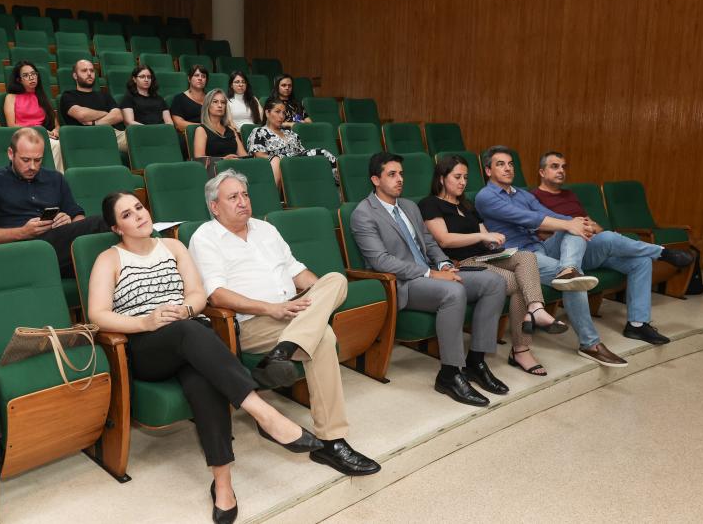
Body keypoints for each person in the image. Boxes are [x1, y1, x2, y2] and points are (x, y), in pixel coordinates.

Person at [89, 191, 323, 523]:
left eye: (139, 207)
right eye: (127, 214)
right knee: (189, 332)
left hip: (190, 338)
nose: (138, 216)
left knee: (202, 377)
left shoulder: (173, 247)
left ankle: (223, 484)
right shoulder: (109, 259)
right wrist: (144, 321)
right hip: (146, 346)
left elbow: (198, 295)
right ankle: (263, 412)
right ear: (116, 227)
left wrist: (185, 308)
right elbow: (97, 315)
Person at [189, 170, 381, 477]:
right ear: (214, 206)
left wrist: (318, 299)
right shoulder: (205, 238)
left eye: (245, 195)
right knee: (324, 338)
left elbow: (298, 273)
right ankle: (333, 441)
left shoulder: (266, 229)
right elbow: (217, 294)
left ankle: (287, 348)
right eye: (233, 197)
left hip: (295, 315)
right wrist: (273, 308)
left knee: (335, 280)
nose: (243, 202)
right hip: (255, 322)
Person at [475, 146, 693, 367]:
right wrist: (570, 223)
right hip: (521, 256)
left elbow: (548, 214)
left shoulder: (521, 193)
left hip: (543, 246)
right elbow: (528, 218)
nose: (508, 168)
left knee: (585, 233)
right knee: (574, 275)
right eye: (500, 164)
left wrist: (581, 223)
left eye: (511, 164)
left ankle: (656, 255)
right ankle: (590, 344)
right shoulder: (486, 197)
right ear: (488, 170)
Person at [351, 153, 509, 405]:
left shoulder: (409, 206)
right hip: (403, 283)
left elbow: (429, 243)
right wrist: (430, 273)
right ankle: (449, 373)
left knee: (494, 283)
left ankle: (476, 362)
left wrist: (444, 264)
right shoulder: (363, 214)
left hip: (431, 274)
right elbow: (380, 261)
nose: (399, 179)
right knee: (453, 293)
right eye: (392, 174)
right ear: (375, 179)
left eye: (401, 173)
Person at [419, 154, 567, 376]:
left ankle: (536, 309)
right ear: (441, 178)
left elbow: (484, 234)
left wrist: (493, 241)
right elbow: (444, 239)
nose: (462, 182)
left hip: (486, 257)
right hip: (463, 263)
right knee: (517, 283)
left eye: (465, 177)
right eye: (457, 177)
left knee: (527, 256)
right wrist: (481, 238)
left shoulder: (466, 204)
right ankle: (521, 349)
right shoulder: (430, 204)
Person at [530, 150, 694, 342]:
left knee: (640, 262)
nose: (561, 171)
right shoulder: (533, 197)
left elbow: (595, 225)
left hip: (590, 247)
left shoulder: (569, 195)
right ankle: (661, 252)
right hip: (563, 253)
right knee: (605, 237)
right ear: (542, 172)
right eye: (554, 166)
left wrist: (589, 226)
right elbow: (539, 232)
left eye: (564, 167)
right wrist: (573, 226)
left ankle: (637, 325)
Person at [0, 128, 107, 278]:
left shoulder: (55, 179)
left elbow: (78, 216)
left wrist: (70, 221)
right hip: (18, 252)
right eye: (25, 160)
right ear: (10, 154)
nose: (32, 166)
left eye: (38, 160)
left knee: (104, 241)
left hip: (56, 248)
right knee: (101, 222)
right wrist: (22, 232)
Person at [247, 97, 336, 187]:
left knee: (321, 159)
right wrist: (282, 159)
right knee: (321, 152)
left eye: (284, 113)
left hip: (300, 165)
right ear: (267, 113)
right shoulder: (259, 132)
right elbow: (260, 156)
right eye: (277, 112)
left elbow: (302, 152)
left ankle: (335, 188)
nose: (281, 116)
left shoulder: (290, 133)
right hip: (282, 167)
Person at [4, 60, 63, 171]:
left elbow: (56, 125)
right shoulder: (11, 97)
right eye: (26, 75)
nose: (31, 78)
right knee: (55, 145)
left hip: (46, 136)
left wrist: (56, 131)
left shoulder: (43, 97)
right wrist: (38, 131)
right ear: (19, 80)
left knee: (59, 143)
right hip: (23, 135)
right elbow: (11, 125)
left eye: (33, 74)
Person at [59, 59, 127, 153]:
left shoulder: (104, 95)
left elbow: (118, 115)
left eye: (91, 70)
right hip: (86, 137)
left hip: (114, 134)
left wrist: (95, 124)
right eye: (84, 71)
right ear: (75, 76)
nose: (89, 73)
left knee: (143, 137)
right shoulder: (68, 95)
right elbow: (81, 114)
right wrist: (106, 113)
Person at [193, 88, 249, 177]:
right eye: (215, 102)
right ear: (207, 105)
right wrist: (223, 160)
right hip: (215, 174)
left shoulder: (231, 130)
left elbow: (244, 156)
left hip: (236, 172)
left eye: (223, 102)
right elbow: (200, 161)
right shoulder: (201, 130)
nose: (220, 105)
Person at [170, 64, 208, 132]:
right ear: (189, 79)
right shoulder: (179, 99)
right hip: (190, 135)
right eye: (196, 75)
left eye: (203, 76)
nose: (200, 78)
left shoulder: (211, 98)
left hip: (212, 135)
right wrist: (203, 127)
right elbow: (179, 124)